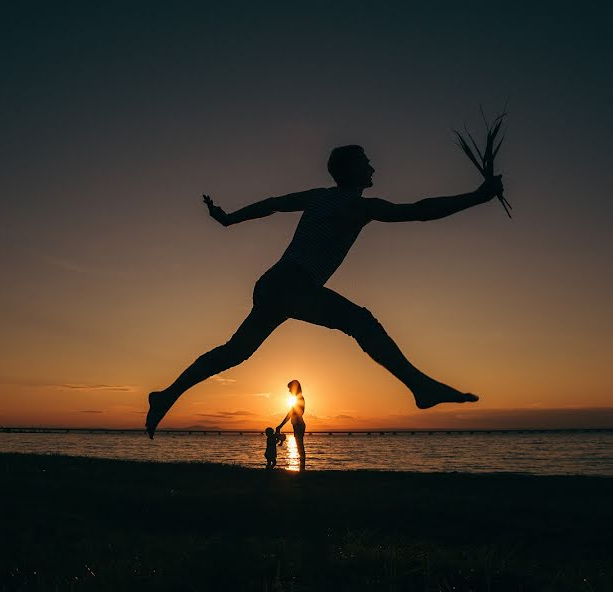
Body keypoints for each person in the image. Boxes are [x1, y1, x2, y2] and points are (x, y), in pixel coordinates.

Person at [146, 145, 504, 438]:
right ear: (349, 170)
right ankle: (420, 387)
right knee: (359, 321)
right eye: (365, 162)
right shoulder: (360, 206)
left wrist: (228, 219)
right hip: (291, 284)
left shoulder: (321, 197)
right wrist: (478, 197)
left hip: (274, 284)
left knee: (235, 352)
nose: (373, 167)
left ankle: (166, 395)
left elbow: (272, 203)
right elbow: (420, 211)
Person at [276, 379, 306, 471]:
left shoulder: (299, 398)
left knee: (300, 447)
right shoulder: (298, 398)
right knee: (299, 446)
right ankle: (302, 468)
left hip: (298, 425)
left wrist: (280, 426)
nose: (289, 391)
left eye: (290, 389)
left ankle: (302, 469)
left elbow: (291, 414)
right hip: (297, 425)